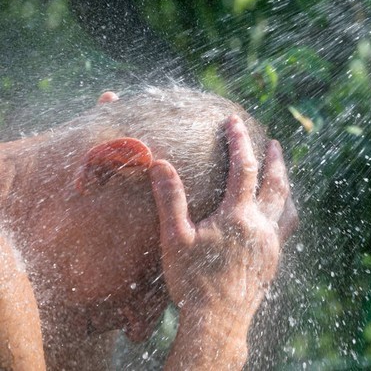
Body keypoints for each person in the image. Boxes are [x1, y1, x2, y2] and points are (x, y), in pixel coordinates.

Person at [0, 88, 298, 370]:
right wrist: (219, 326)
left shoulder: (60, 300)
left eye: (168, 294)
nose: (138, 327)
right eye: (150, 278)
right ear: (107, 168)